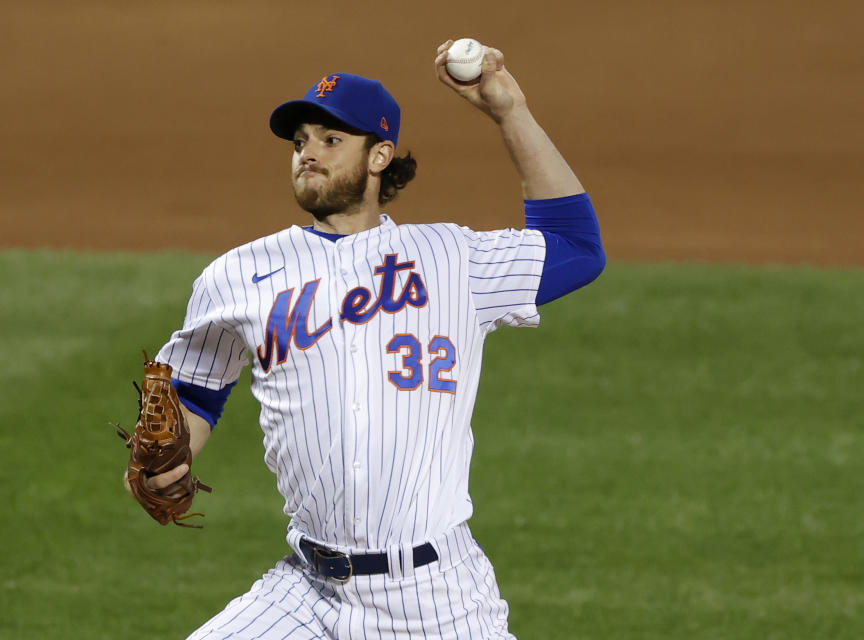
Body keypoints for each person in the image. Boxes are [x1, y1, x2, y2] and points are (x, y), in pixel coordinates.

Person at [129, 40, 605, 639]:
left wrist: (510, 112)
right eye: (301, 140)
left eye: (331, 140)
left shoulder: (452, 258)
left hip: (435, 599)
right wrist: (164, 467)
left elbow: (577, 249)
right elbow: (193, 396)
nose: (308, 154)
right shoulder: (236, 276)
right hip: (306, 589)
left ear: (380, 156)